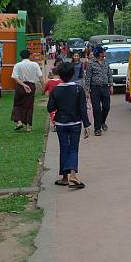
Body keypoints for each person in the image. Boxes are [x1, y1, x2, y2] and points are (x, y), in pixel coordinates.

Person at [48, 61, 91, 189]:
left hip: (61, 123)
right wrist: (87, 125)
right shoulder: (78, 89)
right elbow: (83, 109)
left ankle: (64, 178)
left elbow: (50, 108)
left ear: (60, 75)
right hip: (75, 123)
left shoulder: (56, 90)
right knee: (73, 148)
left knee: (64, 148)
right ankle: (73, 175)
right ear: (73, 74)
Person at [11, 49, 43, 132]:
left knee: (17, 104)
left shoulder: (17, 65)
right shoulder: (35, 64)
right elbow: (40, 76)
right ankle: (28, 126)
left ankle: (19, 121)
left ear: (20, 56)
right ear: (30, 56)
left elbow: (15, 77)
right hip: (31, 86)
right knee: (29, 106)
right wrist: (44, 87)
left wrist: (23, 85)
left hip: (21, 86)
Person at [85, 46, 113, 136]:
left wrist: (111, 85)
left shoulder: (106, 62)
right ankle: (97, 129)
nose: (105, 53)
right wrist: (87, 90)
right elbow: (88, 78)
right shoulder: (91, 64)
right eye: (103, 51)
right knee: (96, 109)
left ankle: (102, 121)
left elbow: (109, 74)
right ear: (100, 53)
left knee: (106, 107)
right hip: (94, 89)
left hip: (105, 88)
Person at [44, 66, 62, 132]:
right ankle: (59, 123)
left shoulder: (49, 82)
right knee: (59, 110)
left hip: (52, 98)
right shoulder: (62, 81)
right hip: (61, 99)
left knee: (52, 112)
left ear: (52, 73)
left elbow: (44, 90)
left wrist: (44, 92)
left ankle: (55, 124)